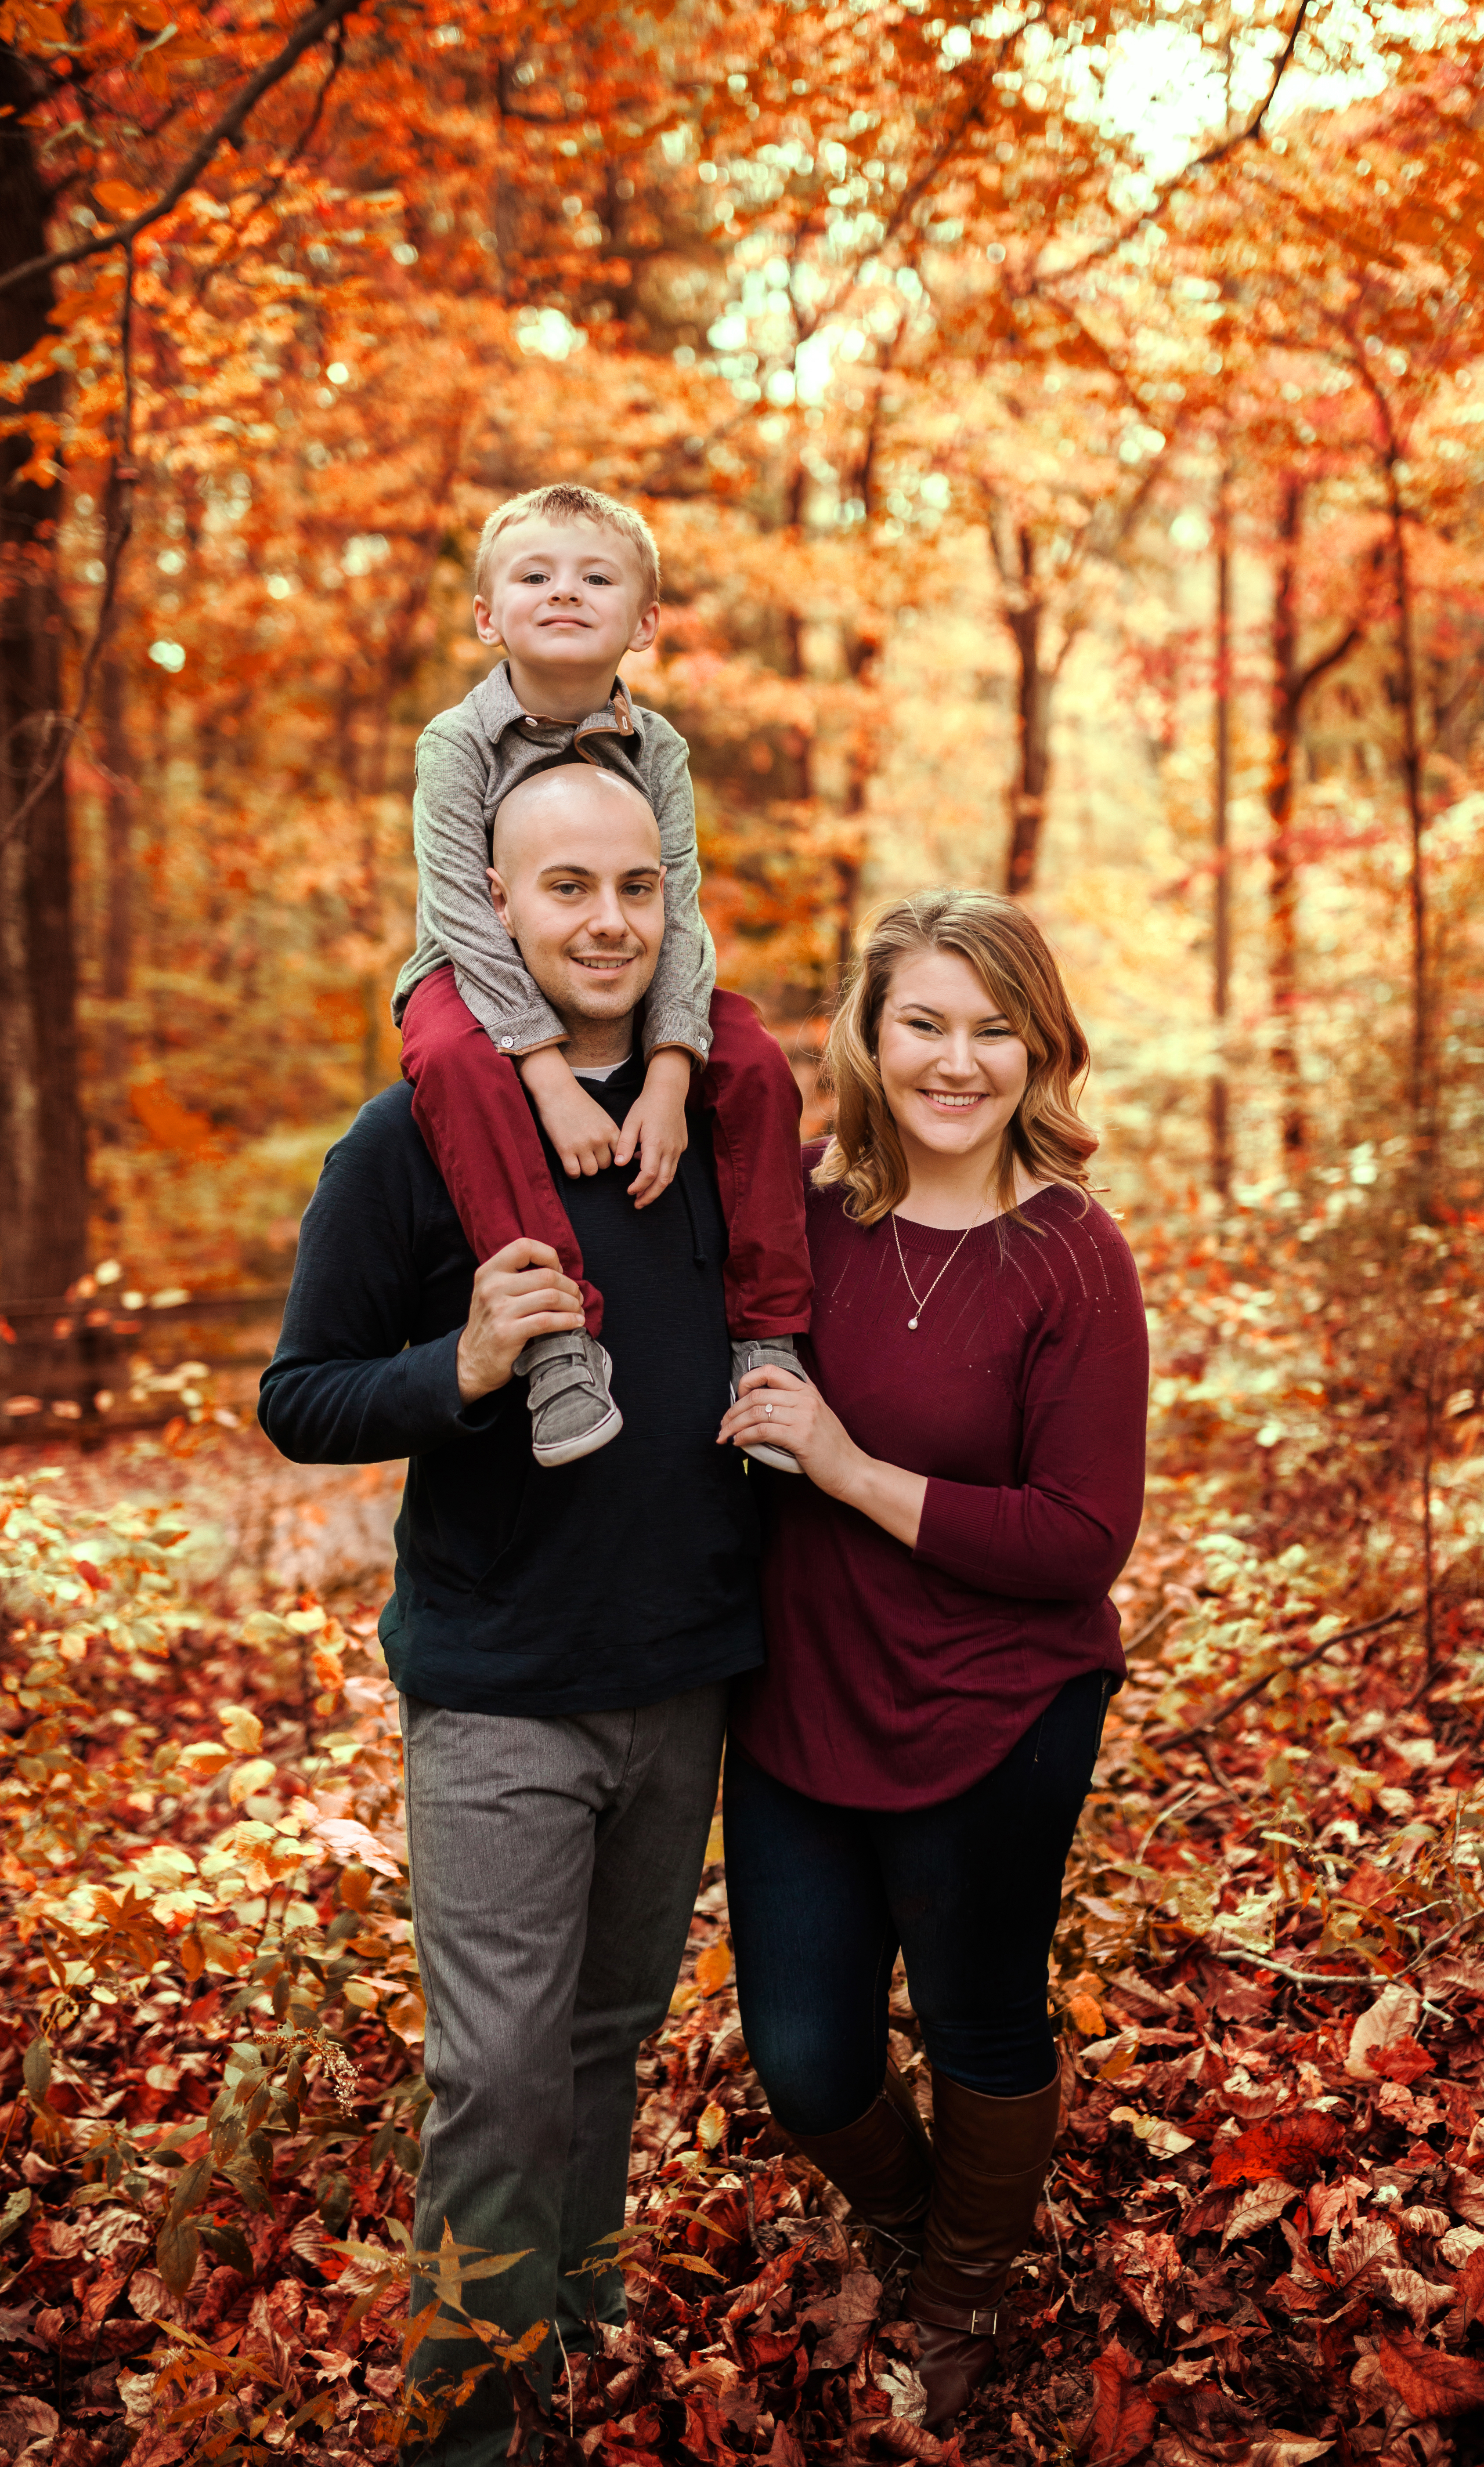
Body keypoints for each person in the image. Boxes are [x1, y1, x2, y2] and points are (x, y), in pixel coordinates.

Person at [262, 767, 772, 2465]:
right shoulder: (410, 1135)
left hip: (685, 1669)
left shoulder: (721, 1115)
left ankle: (577, 2342)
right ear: (496, 898)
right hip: (496, 1682)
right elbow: (303, 1394)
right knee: (495, 2066)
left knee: (610, 2039)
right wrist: (468, 1364)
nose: (609, 921)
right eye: (568, 889)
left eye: (637, 885)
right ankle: (470, 2421)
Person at [717, 889, 1148, 2434]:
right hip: (799, 1695)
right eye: (924, 1023)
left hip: (1001, 1700)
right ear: (870, 1033)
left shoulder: (1071, 1257)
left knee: (978, 2013)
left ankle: (965, 2277)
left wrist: (841, 1466)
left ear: (1037, 1049)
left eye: (992, 1029)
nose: (955, 1061)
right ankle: (918, 2215)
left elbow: (1077, 1536)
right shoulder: (796, 1219)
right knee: (805, 2052)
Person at [392, 480, 811, 1471]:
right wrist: (541, 1072)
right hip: (472, 977)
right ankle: (559, 1347)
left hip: (639, 970)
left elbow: (678, 906)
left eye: (596, 577)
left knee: (752, 1060)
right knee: (454, 1065)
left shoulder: (658, 747)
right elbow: (461, 913)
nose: (565, 592)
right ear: (489, 616)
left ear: (646, 621)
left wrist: (672, 1074)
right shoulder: (456, 745)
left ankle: (771, 1340)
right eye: (535, 575)